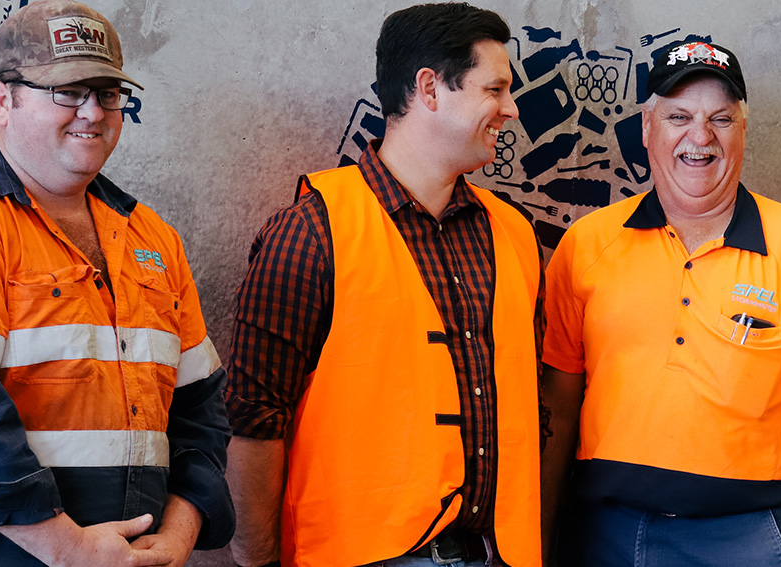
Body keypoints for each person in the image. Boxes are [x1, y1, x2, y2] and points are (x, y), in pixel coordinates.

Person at [0, 1, 234, 565]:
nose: (92, 112)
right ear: (2, 100)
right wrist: (68, 549)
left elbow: (201, 408)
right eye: (67, 92)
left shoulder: (153, 238)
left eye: (107, 93)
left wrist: (180, 530)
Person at [539, 40, 781, 567]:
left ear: (743, 130)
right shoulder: (587, 244)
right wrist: (536, 545)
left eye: (720, 120)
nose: (700, 137)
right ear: (647, 128)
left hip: (745, 539)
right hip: (602, 534)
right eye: (678, 117)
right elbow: (557, 411)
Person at [224, 3, 544, 567]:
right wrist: (256, 558)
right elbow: (254, 419)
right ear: (429, 88)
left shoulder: (514, 233)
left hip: (501, 553)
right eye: (494, 89)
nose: (512, 109)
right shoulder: (311, 232)